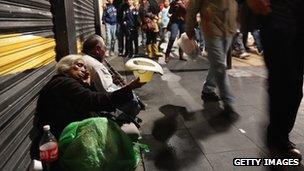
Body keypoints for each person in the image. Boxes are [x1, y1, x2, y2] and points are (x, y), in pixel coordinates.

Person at [35, 55, 144, 139]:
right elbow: (94, 101)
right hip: (66, 137)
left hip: (75, 131)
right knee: (130, 132)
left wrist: (88, 84)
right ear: (66, 67)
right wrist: (129, 87)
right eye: (79, 65)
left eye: (85, 67)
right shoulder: (63, 82)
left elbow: (89, 101)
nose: (84, 70)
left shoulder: (66, 82)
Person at [247, 0, 304, 160]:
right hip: (276, 17)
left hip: (299, 20)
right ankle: (276, 140)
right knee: (282, 85)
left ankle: (280, 137)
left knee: (295, 89)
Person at [186, 0, 238, 112]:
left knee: (218, 62)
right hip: (212, 28)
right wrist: (189, 27)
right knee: (220, 64)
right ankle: (228, 100)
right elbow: (192, 7)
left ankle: (208, 89)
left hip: (230, 28)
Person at [82, 34, 143, 118]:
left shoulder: (84, 59)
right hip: (99, 107)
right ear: (97, 49)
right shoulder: (96, 65)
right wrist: (129, 87)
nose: (105, 53)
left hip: (93, 101)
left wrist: (112, 80)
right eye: (104, 48)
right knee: (133, 102)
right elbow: (109, 93)